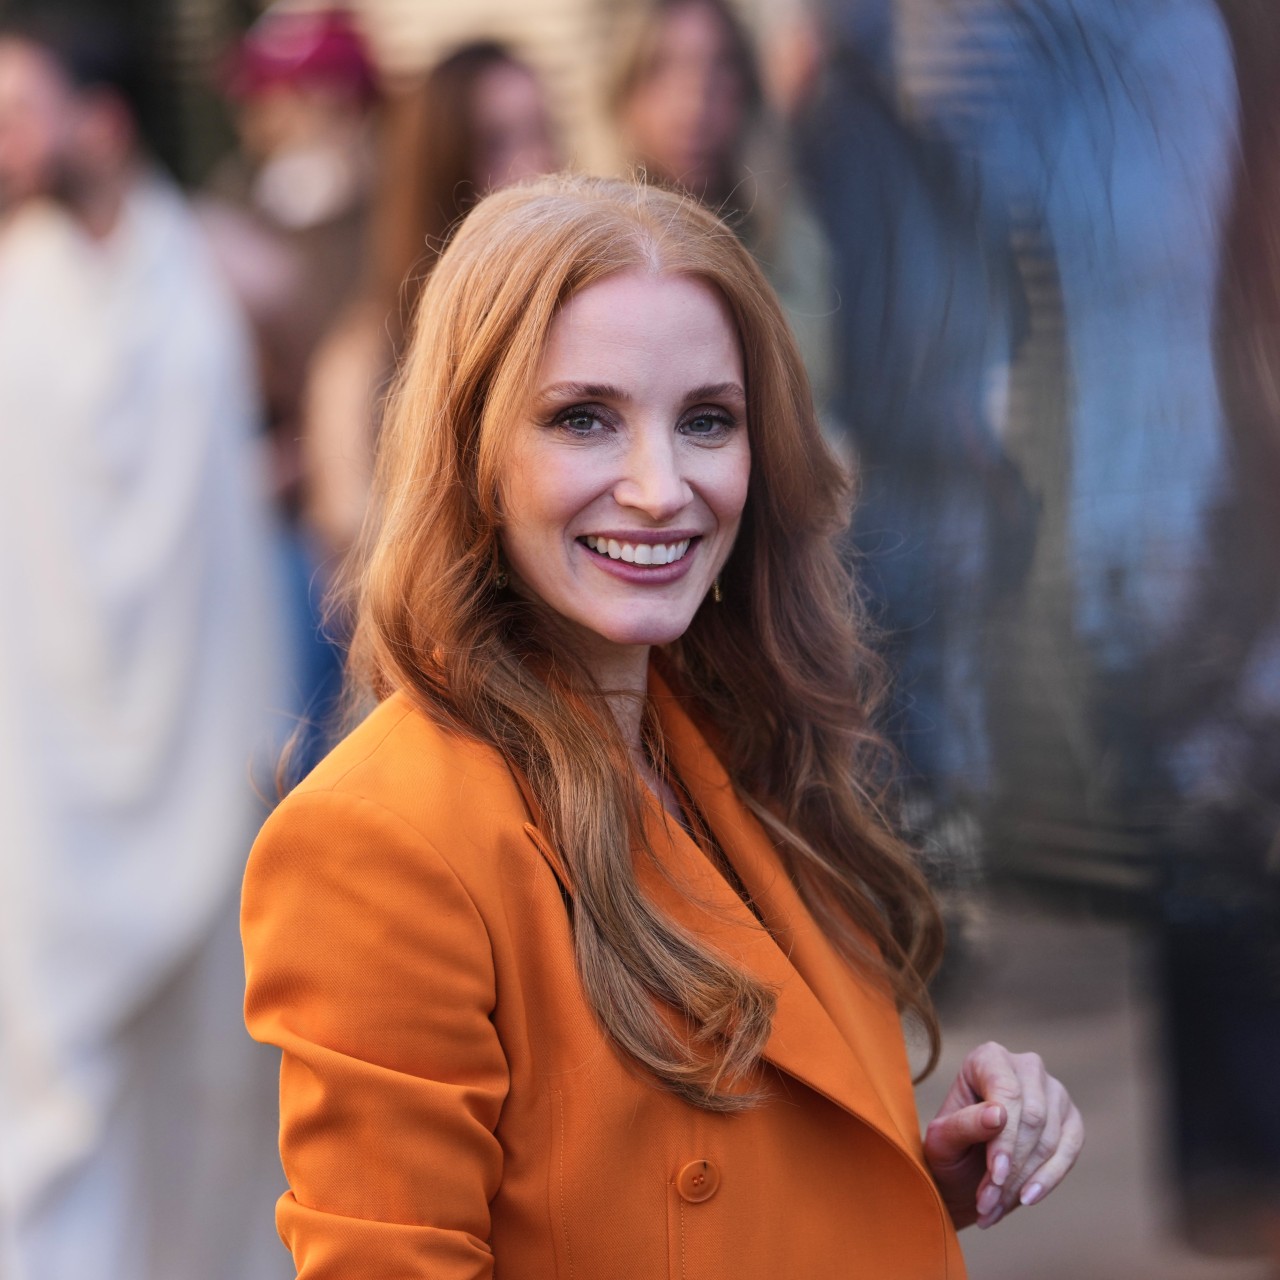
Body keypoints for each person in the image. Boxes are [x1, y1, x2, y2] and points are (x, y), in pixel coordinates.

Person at [241, 174, 1083, 1277]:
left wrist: (905, 1182)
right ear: (472, 451)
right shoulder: (379, 838)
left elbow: (658, 1204)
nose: (659, 485)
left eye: (705, 420)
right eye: (583, 417)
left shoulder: (734, 743)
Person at [0, 14, 289, 1279]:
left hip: (204, 713)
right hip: (47, 741)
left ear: (102, 121)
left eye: (17, 110)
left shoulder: (228, 267)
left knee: (215, 1063)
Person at [301, 39, 559, 562]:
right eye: (498, 143)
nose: (536, 165)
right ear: (443, 167)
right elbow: (351, 545)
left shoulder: (581, 312)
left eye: (542, 132)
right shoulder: (366, 354)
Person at [605, 0, 838, 431]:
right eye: (665, 67)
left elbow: (813, 403)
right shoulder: (591, 244)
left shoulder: (788, 235)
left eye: (718, 69)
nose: (695, 100)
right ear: (625, 91)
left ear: (746, 91)